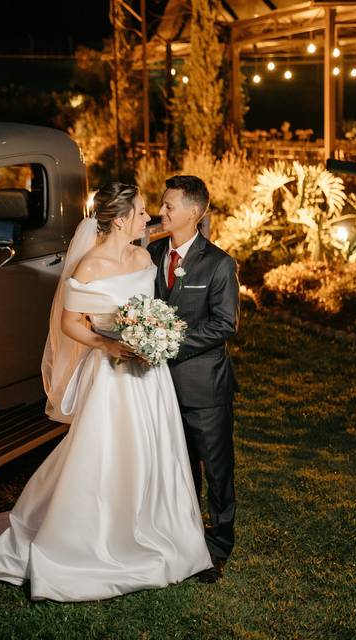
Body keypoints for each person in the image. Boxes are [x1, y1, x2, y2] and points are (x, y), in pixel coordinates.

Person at [0, 183, 213, 602]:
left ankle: (157, 525)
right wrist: (108, 344)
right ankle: (95, 535)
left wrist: (155, 336)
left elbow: (148, 309)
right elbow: (70, 323)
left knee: (155, 448)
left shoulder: (141, 256)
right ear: (119, 219)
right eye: (139, 212)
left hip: (149, 376)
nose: (147, 217)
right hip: (112, 373)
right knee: (108, 451)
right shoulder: (90, 267)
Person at [147, 175, 239, 584]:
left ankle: (219, 544)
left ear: (194, 212)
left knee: (217, 470)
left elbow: (224, 324)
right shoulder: (150, 254)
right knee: (179, 467)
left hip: (204, 388)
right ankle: (184, 536)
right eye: (162, 204)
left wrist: (168, 343)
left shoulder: (219, 263)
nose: (161, 211)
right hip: (157, 387)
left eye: (169, 206)